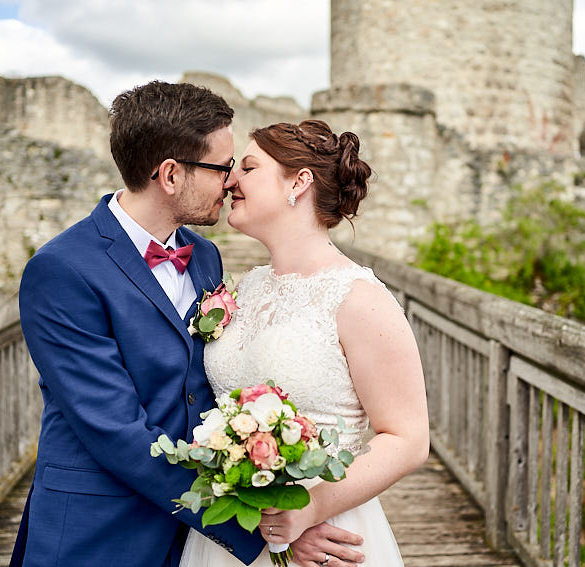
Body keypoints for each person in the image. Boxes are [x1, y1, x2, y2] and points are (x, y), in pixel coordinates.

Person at [10, 83, 363, 566]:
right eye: (222, 167)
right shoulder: (62, 270)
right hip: (99, 533)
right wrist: (264, 530)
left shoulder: (205, 257)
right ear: (171, 175)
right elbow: (115, 431)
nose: (232, 181)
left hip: (193, 537)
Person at [178, 120, 430, 567]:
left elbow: (408, 439)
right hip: (236, 530)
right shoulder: (244, 289)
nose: (230, 180)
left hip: (326, 533)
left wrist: (308, 509)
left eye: (249, 168)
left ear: (299, 181)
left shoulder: (359, 298)